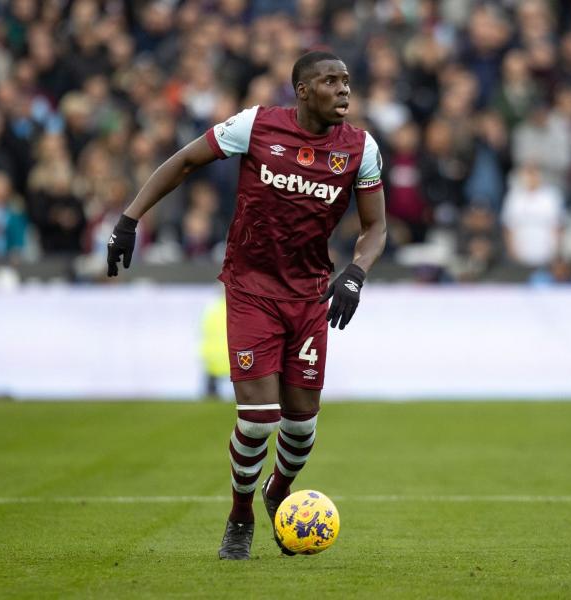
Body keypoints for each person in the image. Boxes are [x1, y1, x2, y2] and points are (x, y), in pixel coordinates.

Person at [106, 51, 387, 560]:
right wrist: (130, 219)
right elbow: (186, 160)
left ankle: (277, 491)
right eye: (331, 81)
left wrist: (356, 274)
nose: (344, 90)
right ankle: (240, 514)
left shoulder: (361, 148)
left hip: (308, 294)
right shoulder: (255, 125)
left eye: (347, 81)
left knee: (301, 427)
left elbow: (376, 226)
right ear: (303, 91)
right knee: (259, 419)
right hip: (251, 287)